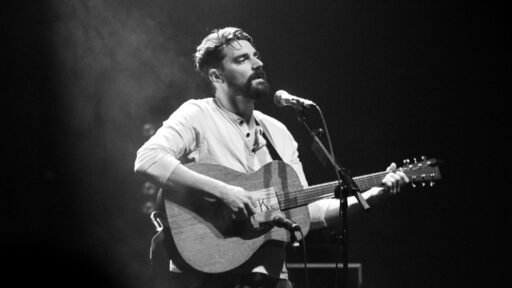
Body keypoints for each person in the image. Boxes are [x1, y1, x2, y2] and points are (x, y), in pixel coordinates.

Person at [134, 27, 408, 288]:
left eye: (256, 56)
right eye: (242, 59)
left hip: (271, 277)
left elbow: (307, 211)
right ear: (217, 77)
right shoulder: (198, 115)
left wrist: (371, 196)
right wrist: (225, 192)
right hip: (206, 273)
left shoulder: (278, 133)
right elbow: (148, 158)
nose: (256, 63)